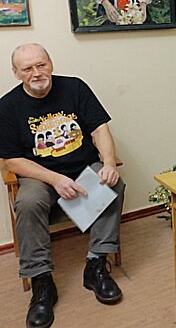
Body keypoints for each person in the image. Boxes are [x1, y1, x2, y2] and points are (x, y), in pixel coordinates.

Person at [0, 44, 125, 328]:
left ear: (51, 63)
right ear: (16, 73)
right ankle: (42, 281)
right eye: (27, 68)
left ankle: (96, 264)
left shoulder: (75, 88)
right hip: (40, 175)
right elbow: (12, 161)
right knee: (28, 202)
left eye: (41, 65)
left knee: (112, 184)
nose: (36, 73)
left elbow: (99, 129)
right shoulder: (7, 107)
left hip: (83, 168)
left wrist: (108, 163)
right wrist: (55, 179)